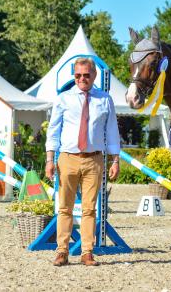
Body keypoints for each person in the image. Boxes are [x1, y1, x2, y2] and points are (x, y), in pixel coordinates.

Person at [45, 57, 121, 267]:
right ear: (74, 76)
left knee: (89, 209)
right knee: (64, 208)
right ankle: (62, 251)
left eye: (86, 75)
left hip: (94, 160)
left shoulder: (105, 99)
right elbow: (53, 130)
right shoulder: (63, 99)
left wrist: (115, 160)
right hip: (67, 159)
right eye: (78, 75)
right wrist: (49, 159)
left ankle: (87, 252)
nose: (82, 79)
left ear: (94, 75)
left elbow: (112, 131)